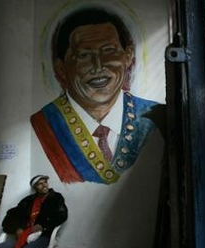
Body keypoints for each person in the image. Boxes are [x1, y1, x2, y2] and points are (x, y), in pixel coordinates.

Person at [30, 7, 160, 184]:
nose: (98, 67)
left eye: (108, 50)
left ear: (128, 56)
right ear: (61, 68)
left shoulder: (154, 116)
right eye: (83, 55)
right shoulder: (45, 123)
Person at [0, 175, 68, 248]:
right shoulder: (28, 200)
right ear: (35, 187)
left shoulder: (55, 197)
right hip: (24, 234)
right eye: (40, 184)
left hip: (42, 236)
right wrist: (18, 227)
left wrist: (43, 226)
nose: (44, 185)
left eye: (45, 182)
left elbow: (62, 215)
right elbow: (13, 214)